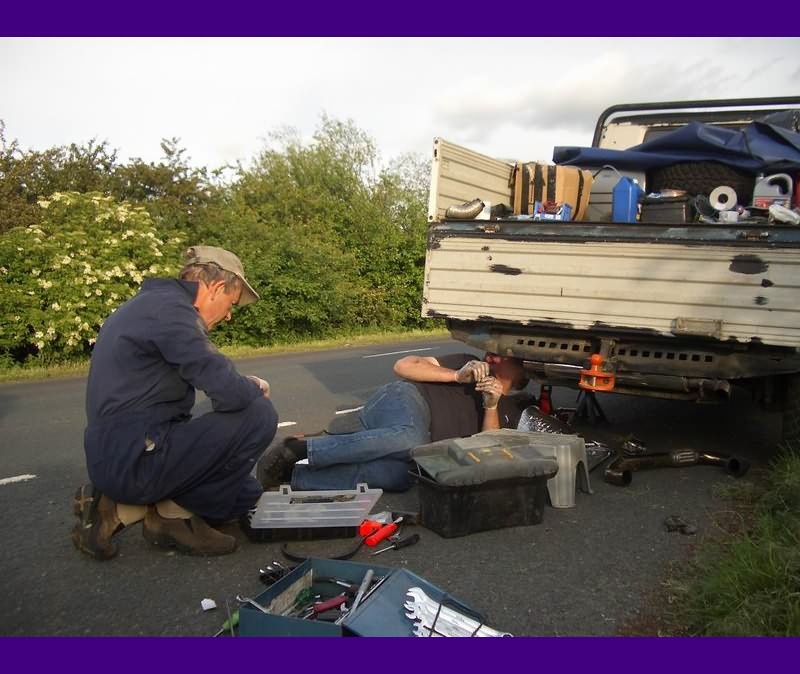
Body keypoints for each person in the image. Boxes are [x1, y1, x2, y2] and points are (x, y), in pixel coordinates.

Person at [72, 245, 278, 560]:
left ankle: (115, 509)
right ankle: (172, 518)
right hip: (133, 459)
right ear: (216, 287)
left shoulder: (152, 305)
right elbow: (229, 393)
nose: (229, 315)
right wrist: (253, 385)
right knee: (258, 413)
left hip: (123, 449)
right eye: (231, 303)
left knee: (245, 496)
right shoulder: (173, 313)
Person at [258, 352, 535, 492]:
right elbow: (403, 366)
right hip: (405, 399)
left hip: (422, 447)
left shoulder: (510, 411)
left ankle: (294, 477)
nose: (492, 355)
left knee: (399, 477)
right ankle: (296, 450)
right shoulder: (467, 361)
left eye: (504, 355)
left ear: (522, 371)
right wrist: (456, 375)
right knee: (408, 437)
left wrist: (491, 405)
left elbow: (487, 449)